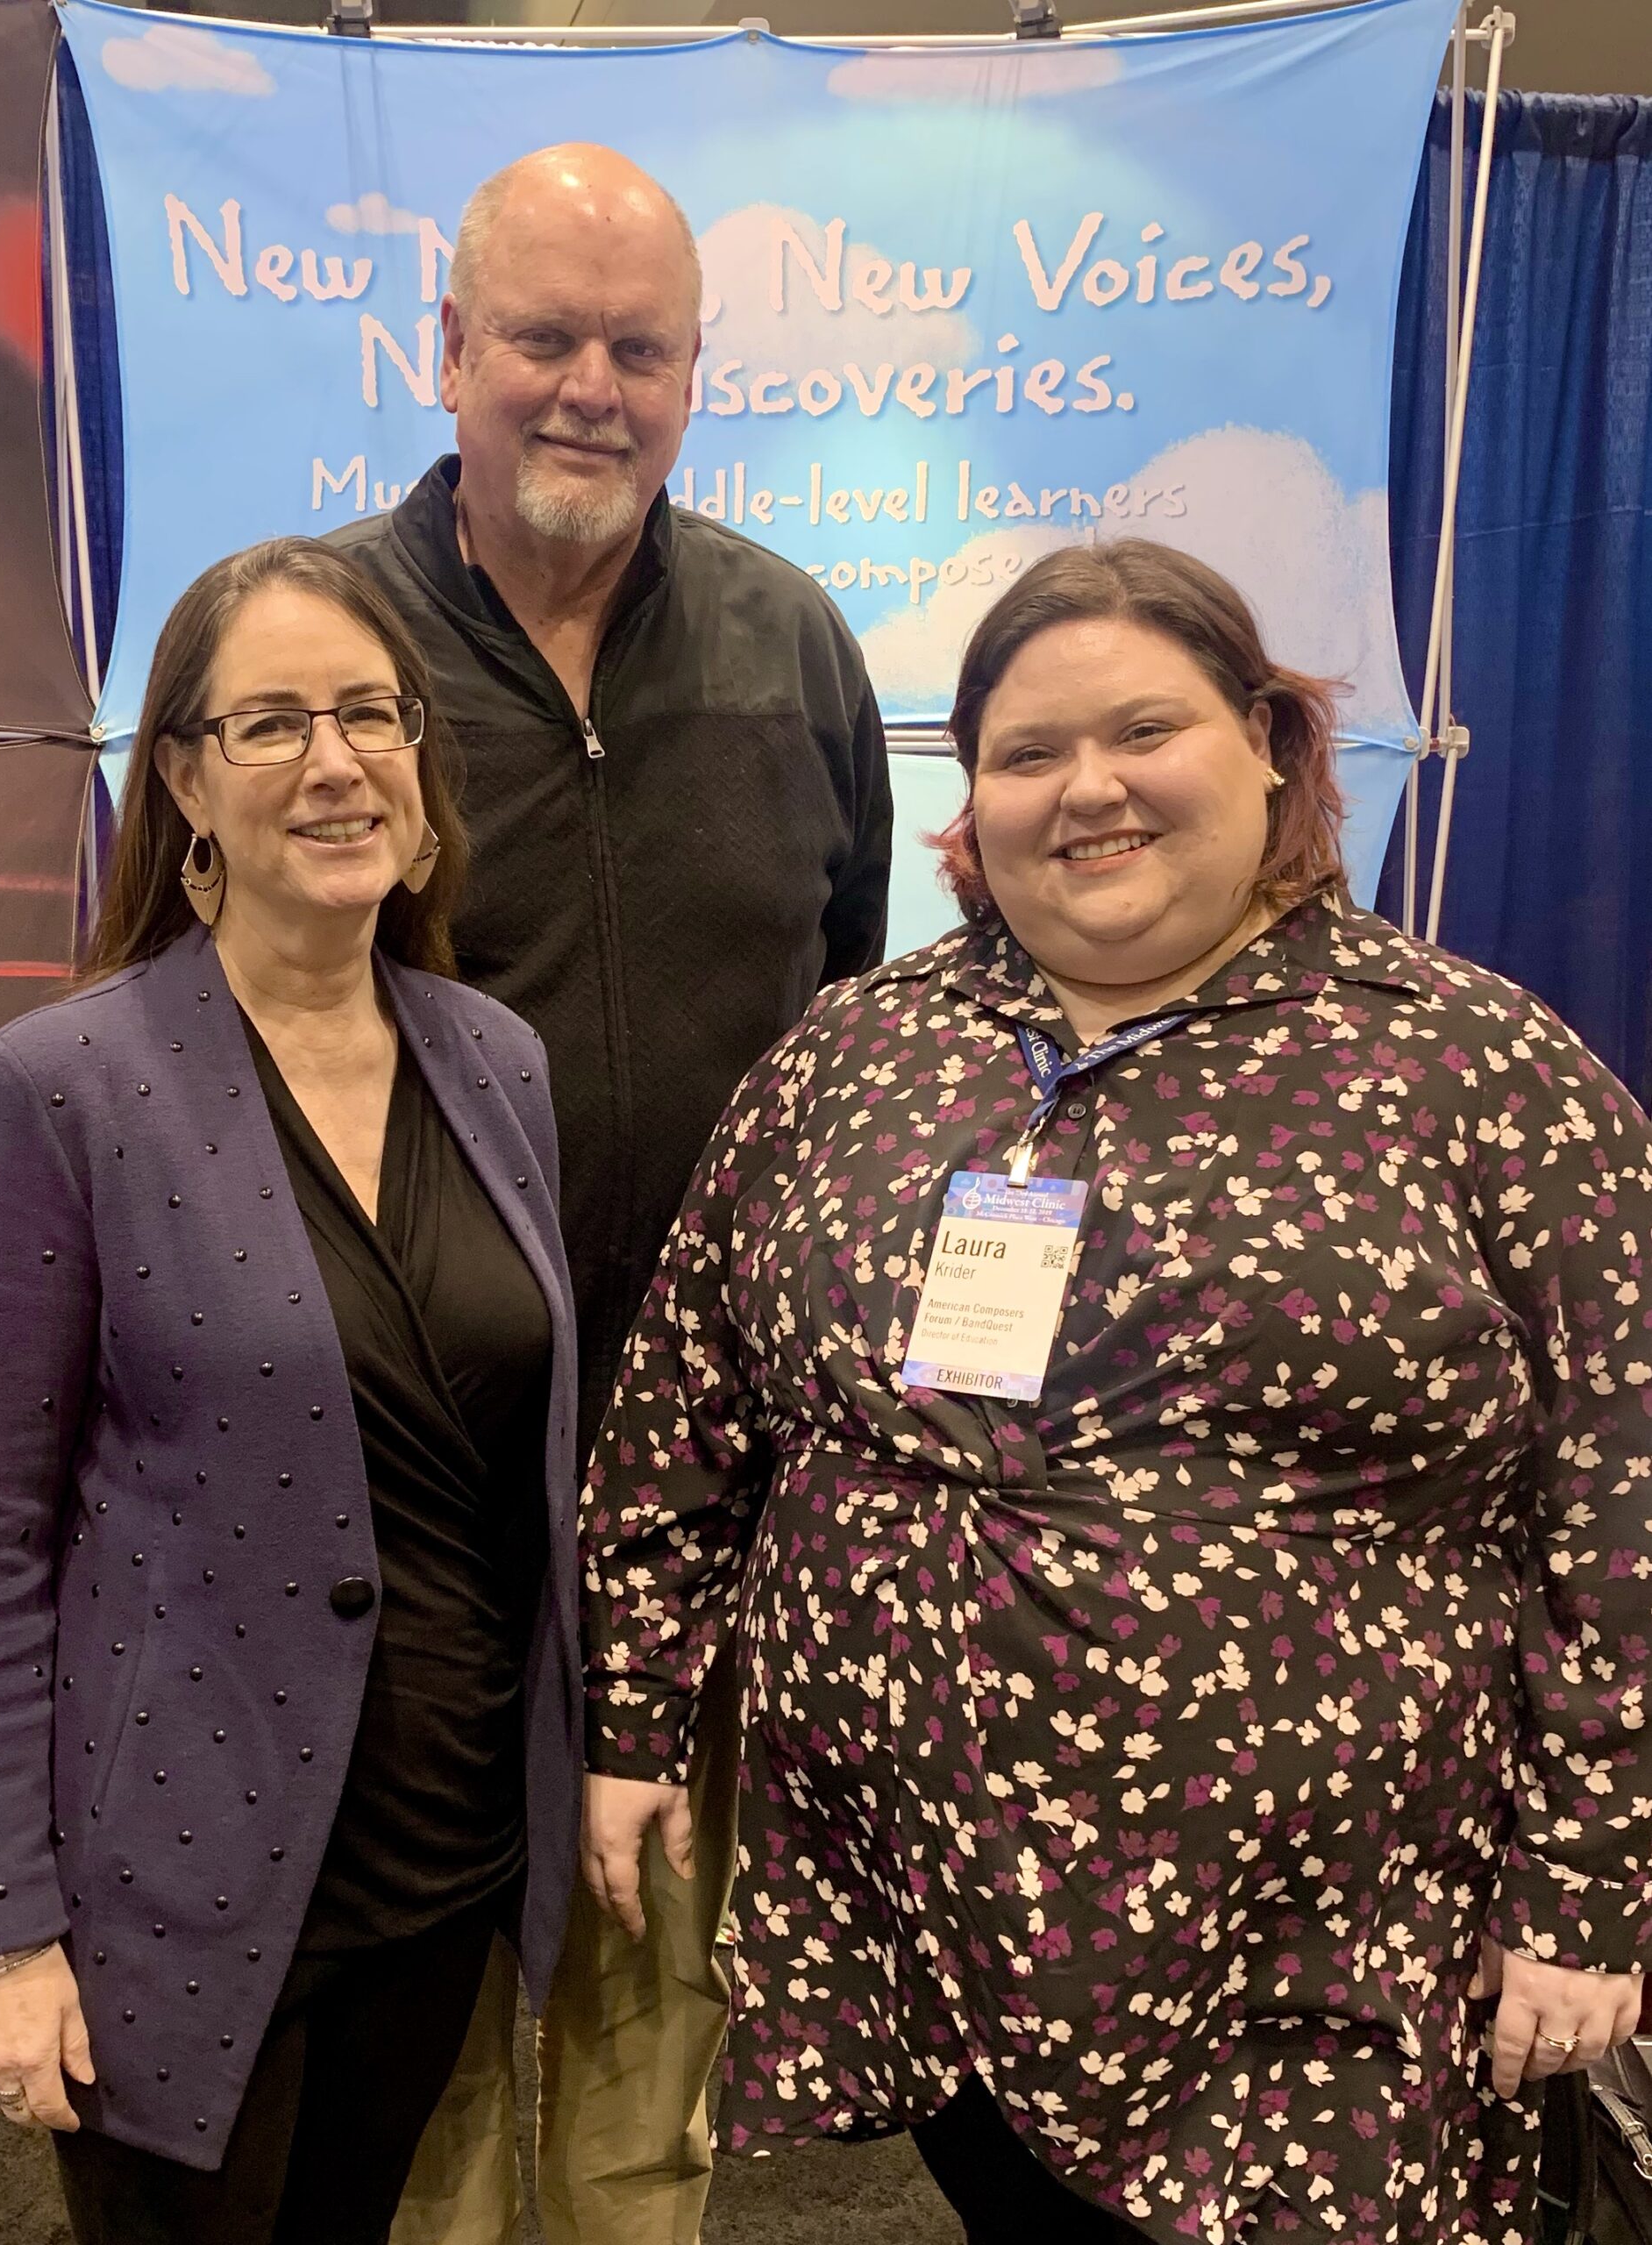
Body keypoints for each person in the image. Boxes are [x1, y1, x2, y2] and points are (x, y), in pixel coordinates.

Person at [579, 538, 1652, 2244]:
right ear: (970, 795)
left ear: (1267, 744)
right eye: (1023, 750)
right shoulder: (854, 1055)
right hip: (930, 1921)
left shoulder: (1478, 1075)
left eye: (1138, 728)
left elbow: (1619, 1508)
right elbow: (684, 1402)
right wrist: (632, 1712)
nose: (1084, 787)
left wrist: (1588, 1888)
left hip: (1327, 1970)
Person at [326, 144, 893, 2245]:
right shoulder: (320, 649)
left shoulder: (787, 641)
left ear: (689, 373)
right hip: (409, 1474)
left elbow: (843, 1005)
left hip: (706, 1485)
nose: (589, 385)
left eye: (636, 347)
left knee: (659, 2020)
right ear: (443, 346)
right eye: (542, 336)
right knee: (427, 2058)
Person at [0, 538, 583, 2245]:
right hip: (183, 1871)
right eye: (270, 720)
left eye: (370, 712)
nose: (336, 759)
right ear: (187, 777)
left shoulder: (494, 1059)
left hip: (443, 1844)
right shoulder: (58, 1088)